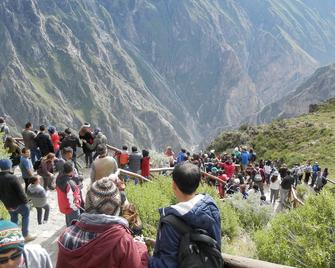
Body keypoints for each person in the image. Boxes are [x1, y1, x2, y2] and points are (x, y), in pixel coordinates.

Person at [56, 177, 148, 268]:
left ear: (87, 204)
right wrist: (141, 246)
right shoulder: (123, 241)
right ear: (117, 209)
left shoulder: (67, 235)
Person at [149, 162, 221, 267]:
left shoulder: (171, 222)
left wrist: (144, 256)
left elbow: (165, 264)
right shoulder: (212, 207)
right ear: (198, 183)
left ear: (174, 185)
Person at [0, 159, 35, 242]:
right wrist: (27, 202)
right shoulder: (12, 177)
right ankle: (26, 235)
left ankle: (15, 236)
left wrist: (7, 204)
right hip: (20, 204)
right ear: (9, 166)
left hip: (8, 205)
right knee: (25, 217)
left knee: (14, 219)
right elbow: (21, 192)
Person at [56, 162, 81, 227]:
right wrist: (76, 208)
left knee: (69, 223)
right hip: (72, 208)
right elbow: (72, 199)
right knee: (74, 226)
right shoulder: (70, 184)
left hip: (64, 206)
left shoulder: (59, 177)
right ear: (72, 170)